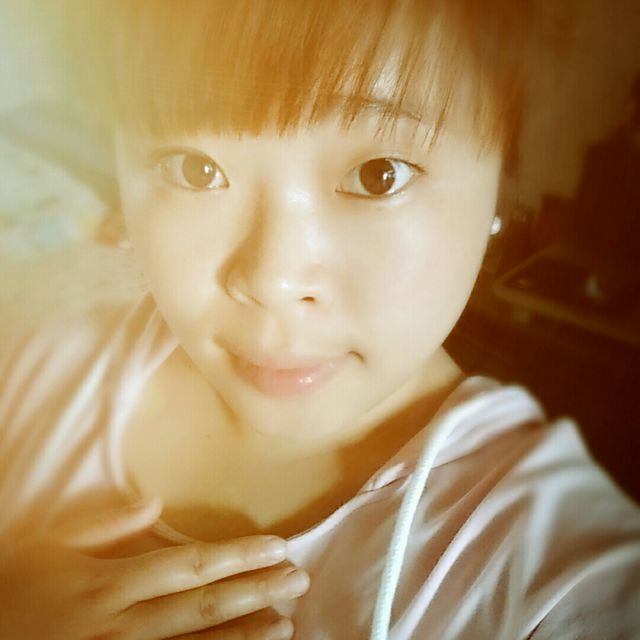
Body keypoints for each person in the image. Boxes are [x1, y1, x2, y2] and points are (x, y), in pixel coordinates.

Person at [1, 1, 639, 638]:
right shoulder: (35, 374)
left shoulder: (568, 584)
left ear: (503, 175)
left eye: (378, 176)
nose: (272, 281)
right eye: (194, 169)